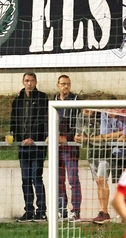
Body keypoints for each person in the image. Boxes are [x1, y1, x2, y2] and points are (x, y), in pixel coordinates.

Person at [9, 73, 48, 222]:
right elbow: (14, 121)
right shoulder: (18, 100)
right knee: (25, 179)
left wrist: (35, 138)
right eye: (27, 80)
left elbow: (44, 120)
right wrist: (14, 137)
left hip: (37, 146)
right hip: (23, 146)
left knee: (36, 178)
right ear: (23, 82)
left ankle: (41, 210)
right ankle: (29, 210)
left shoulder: (42, 98)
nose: (29, 83)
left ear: (36, 82)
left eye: (32, 80)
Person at [55, 74, 82, 220]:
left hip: (70, 146)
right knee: (58, 179)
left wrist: (68, 137)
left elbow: (79, 123)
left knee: (72, 179)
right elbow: (48, 121)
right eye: (63, 84)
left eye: (68, 84)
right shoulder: (53, 99)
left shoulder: (76, 100)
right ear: (58, 85)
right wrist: (50, 135)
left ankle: (76, 210)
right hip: (56, 147)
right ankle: (61, 208)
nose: (66, 86)